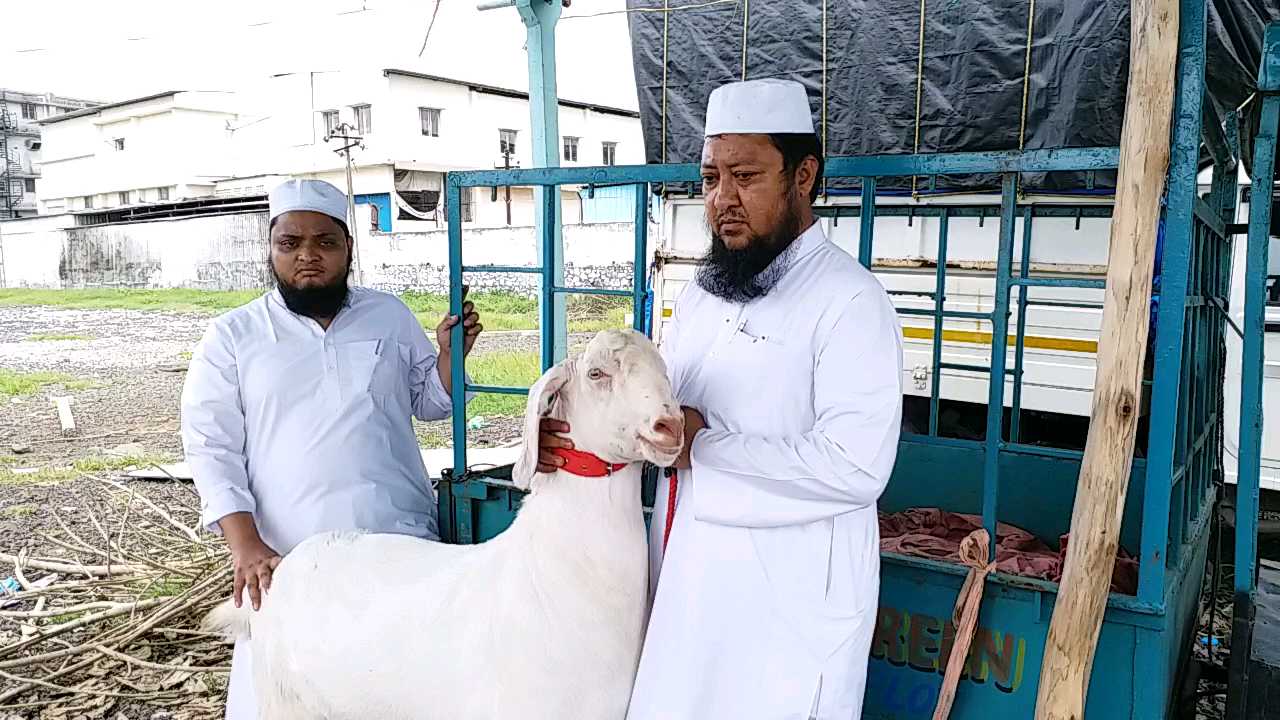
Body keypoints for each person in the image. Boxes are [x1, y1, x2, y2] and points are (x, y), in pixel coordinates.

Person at [538, 78, 904, 719]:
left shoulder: (850, 300)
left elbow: (857, 465)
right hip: (690, 581)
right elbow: (655, 417)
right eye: (710, 178)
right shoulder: (706, 294)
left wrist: (703, 445)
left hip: (787, 607)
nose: (722, 200)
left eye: (746, 176)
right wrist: (570, 437)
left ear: (803, 176)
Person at [180, 178, 481, 720]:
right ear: (270, 251)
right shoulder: (233, 336)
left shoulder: (388, 316)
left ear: (348, 249)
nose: (308, 257)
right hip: (289, 561)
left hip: (396, 544)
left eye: (325, 242)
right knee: (291, 698)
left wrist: (447, 357)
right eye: (290, 243)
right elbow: (210, 447)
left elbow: (431, 403)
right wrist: (245, 546)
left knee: (397, 688)